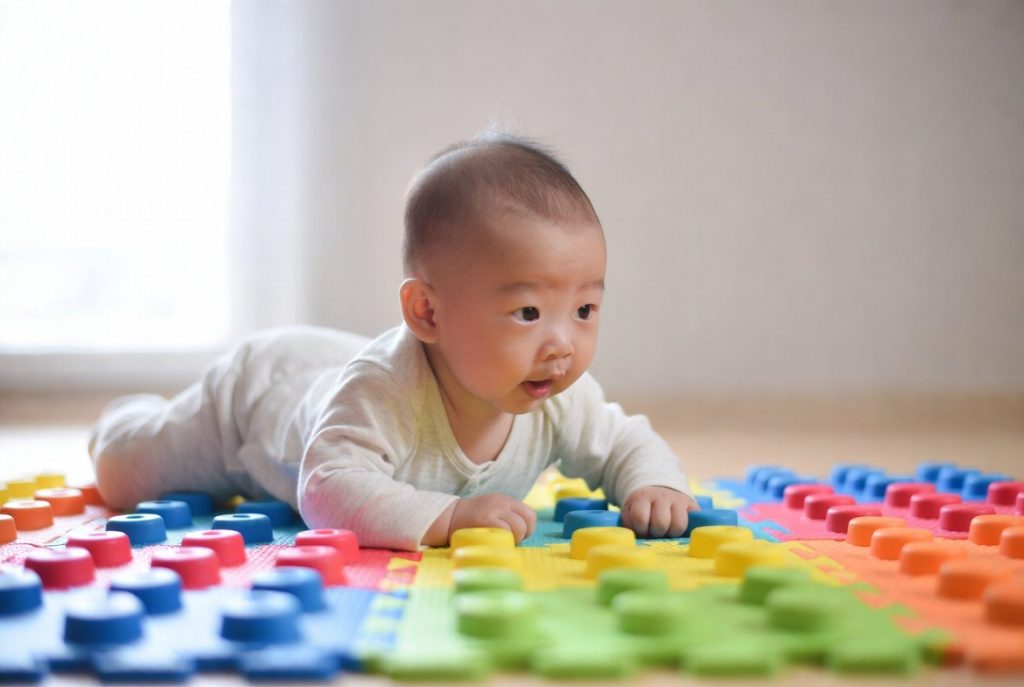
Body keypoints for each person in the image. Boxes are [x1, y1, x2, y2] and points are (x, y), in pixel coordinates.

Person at [89, 131, 696, 551]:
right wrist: (450, 516)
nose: (562, 343)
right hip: (256, 401)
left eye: (585, 308)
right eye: (529, 311)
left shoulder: (557, 390)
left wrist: (654, 482)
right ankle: (130, 415)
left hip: (329, 368)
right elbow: (326, 487)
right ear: (426, 313)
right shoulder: (384, 392)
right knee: (125, 473)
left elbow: (623, 439)